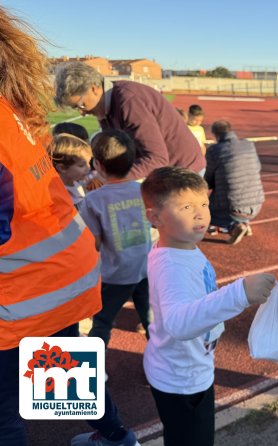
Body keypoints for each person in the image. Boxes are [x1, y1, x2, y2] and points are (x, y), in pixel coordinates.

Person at [0, 6, 138, 446]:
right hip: (61, 269)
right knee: (62, 379)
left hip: (24, 286)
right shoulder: (10, 106)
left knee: (4, 414)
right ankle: (117, 437)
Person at [140, 166, 275, 446]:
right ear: (154, 217)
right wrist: (239, 293)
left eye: (204, 203)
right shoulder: (172, 265)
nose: (201, 213)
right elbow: (179, 323)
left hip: (190, 367)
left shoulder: (183, 246)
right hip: (182, 380)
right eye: (187, 206)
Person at [53, 62, 206, 180]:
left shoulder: (129, 101)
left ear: (94, 88)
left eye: (81, 105)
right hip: (168, 170)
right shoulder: (105, 108)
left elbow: (156, 159)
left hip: (183, 172)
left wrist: (111, 180)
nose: (82, 112)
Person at [79, 130, 152, 347]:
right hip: (144, 267)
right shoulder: (143, 190)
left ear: (98, 164)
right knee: (152, 323)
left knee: (102, 322)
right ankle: (167, 369)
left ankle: (92, 374)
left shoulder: (93, 200)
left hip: (115, 274)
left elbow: (95, 242)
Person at [205, 120, 264, 245]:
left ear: (215, 134)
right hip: (257, 202)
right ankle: (244, 224)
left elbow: (208, 180)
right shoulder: (248, 144)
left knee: (206, 210)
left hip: (233, 208)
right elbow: (258, 168)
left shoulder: (214, 150)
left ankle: (234, 226)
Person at [47, 133, 93, 209]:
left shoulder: (76, 183)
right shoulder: (59, 196)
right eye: (81, 165)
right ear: (62, 168)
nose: (88, 168)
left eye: (89, 162)